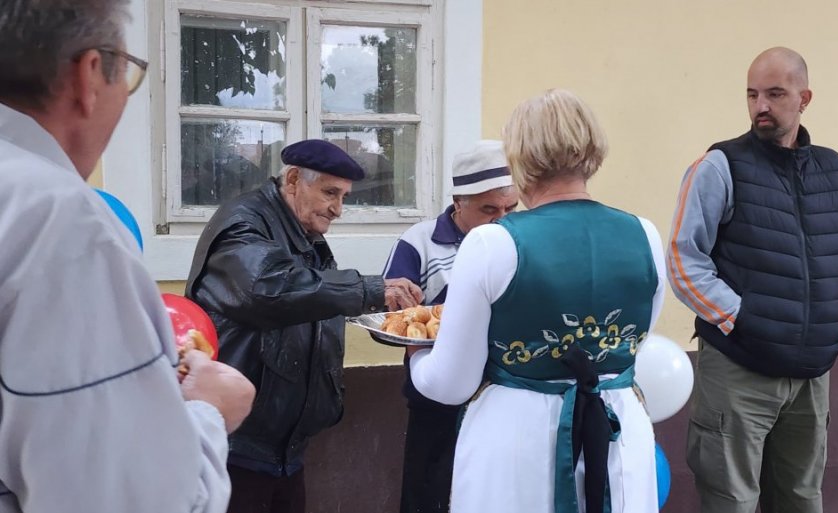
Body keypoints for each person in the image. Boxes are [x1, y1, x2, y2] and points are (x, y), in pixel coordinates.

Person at [0, 1, 256, 512]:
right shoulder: (58, 219)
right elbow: (130, 499)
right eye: (132, 74)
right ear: (90, 75)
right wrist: (209, 411)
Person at [408, 89, 667, 513]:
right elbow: (634, 339)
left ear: (520, 157)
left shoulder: (491, 243)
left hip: (521, 437)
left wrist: (417, 352)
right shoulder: (646, 234)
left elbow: (451, 384)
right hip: (617, 431)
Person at [667, 47, 838, 513]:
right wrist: (740, 317)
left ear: (804, 98)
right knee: (732, 502)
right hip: (739, 371)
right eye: (752, 94)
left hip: (811, 377)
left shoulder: (836, 171)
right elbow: (682, 259)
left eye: (775, 94)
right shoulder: (719, 166)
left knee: (801, 500)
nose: (761, 106)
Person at [185, 139, 423, 513]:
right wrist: (369, 289)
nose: (338, 209)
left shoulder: (302, 231)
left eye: (344, 197)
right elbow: (268, 289)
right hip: (238, 443)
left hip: (285, 445)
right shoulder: (244, 223)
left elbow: (313, 300)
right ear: (294, 179)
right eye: (330, 193)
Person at [383, 140, 518, 513]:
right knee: (429, 493)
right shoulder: (419, 242)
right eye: (489, 209)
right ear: (459, 202)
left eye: (511, 208)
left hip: (502, 394)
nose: (503, 219)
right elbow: (396, 318)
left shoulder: (519, 240)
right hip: (435, 399)